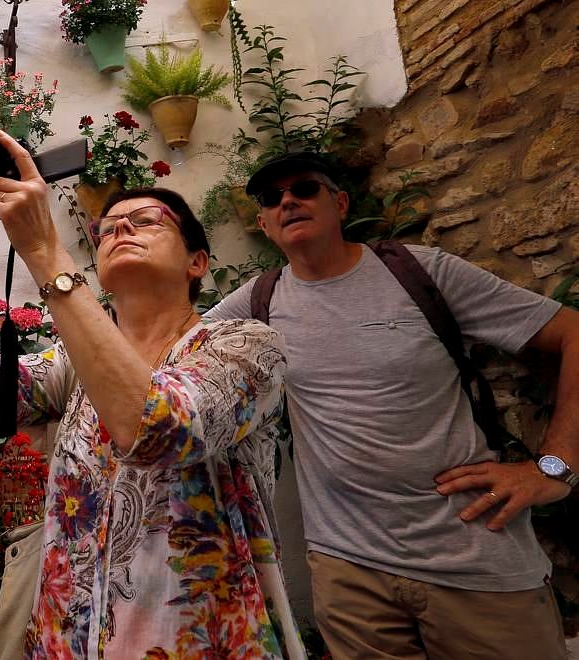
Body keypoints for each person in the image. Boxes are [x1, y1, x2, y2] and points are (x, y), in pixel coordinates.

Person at [0, 131, 305, 659]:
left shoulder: (247, 347)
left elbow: (161, 428)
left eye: (146, 221)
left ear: (198, 262)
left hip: (200, 641)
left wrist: (44, 251)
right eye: (106, 229)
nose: (120, 226)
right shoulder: (75, 362)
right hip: (71, 640)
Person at [205, 151, 579, 659]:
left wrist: (553, 469)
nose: (288, 201)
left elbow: (571, 333)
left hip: (476, 557)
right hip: (350, 574)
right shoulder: (257, 304)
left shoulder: (418, 272)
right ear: (265, 223)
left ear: (339, 202)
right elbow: (167, 359)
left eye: (305, 189)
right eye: (273, 199)